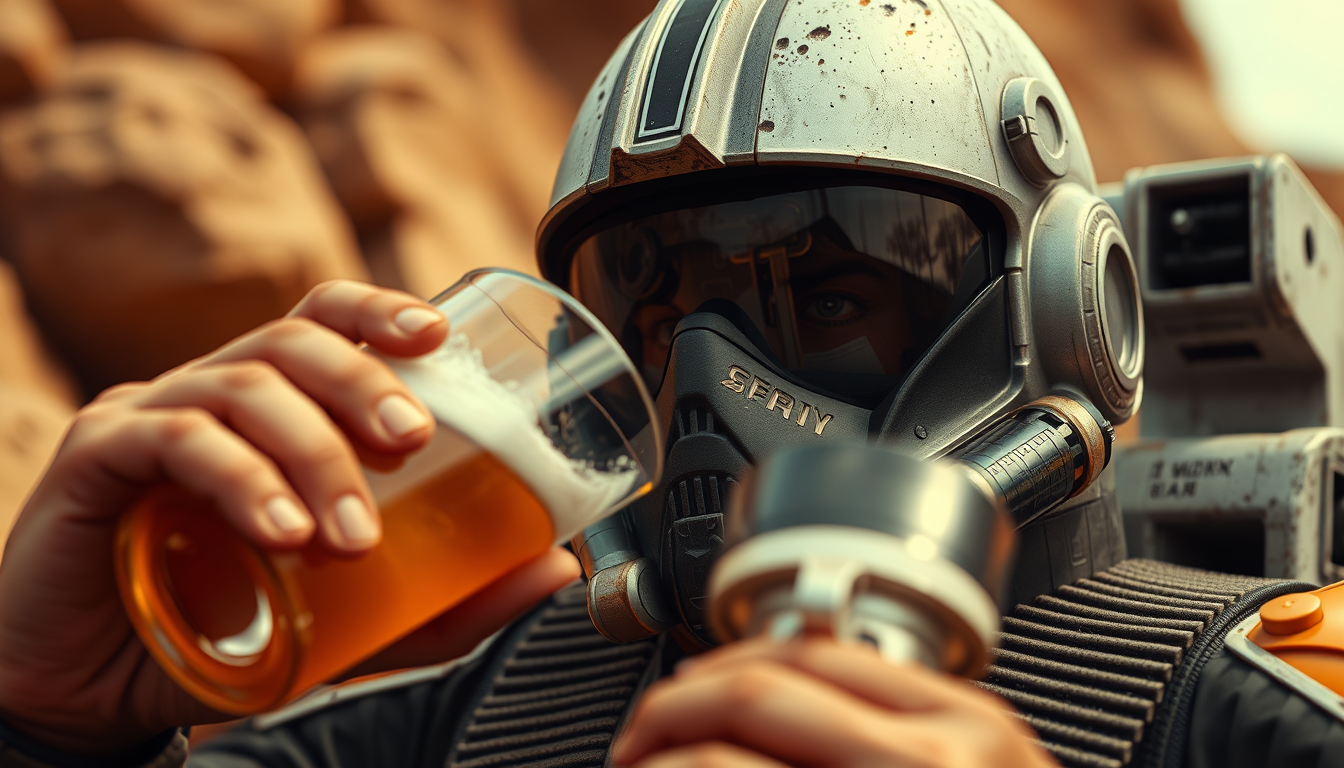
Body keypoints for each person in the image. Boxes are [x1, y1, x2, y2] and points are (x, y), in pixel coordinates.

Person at [0, 1, 1336, 767]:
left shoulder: (1251, 710)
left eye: (820, 299)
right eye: (648, 313)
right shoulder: (481, 727)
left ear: (1063, 312)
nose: (701, 391)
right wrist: (51, 728)